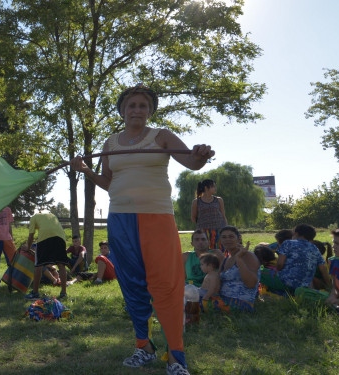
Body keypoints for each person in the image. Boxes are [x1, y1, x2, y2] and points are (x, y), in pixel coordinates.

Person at [71, 84, 215, 375]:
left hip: (157, 217)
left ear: (150, 110)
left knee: (166, 285)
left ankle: (176, 357)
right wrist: (87, 172)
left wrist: (200, 156)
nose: (137, 109)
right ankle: (143, 346)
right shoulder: (110, 143)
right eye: (132, 105)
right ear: (123, 110)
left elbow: (190, 161)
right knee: (132, 284)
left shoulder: (160, 136)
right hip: (120, 219)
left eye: (143, 105)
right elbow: (109, 182)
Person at [261, 224, 330, 294]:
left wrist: (276, 271)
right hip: (305, 285)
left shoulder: (287, 243)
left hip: (286, 282)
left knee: (258, 271)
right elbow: (323, 269)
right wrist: (329, 286)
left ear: (295, 233)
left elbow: (280, 264)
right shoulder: (315, 248)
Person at [205, 226, 260, 312]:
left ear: (238, 239)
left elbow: (251, 284)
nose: (227, 240)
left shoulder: (247, 255)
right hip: (223, 299)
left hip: (241, 303)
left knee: (196, 304)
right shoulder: (226, 259)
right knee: (191, 298)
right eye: (224, 237)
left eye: (231, 236)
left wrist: (239, 259)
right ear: (220, 240)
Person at [24, 212, 68, 300]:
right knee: (61, 265)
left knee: (38, 265)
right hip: (61, 237)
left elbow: (31, 236)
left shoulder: (33, 217)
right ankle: (64, 293)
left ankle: (35, 293)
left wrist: (27, 248)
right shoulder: (52, 215)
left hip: (44, 238)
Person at [191, 179, 227, 251]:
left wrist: (226, 229)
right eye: (213, 186)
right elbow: (193, 218)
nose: (215, 188)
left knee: (220, 252)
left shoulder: (219, 200)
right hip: (203, 233)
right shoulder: (196, 201)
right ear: (206, 188)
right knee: (203, 252)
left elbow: (223, 216)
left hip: (218, 231)